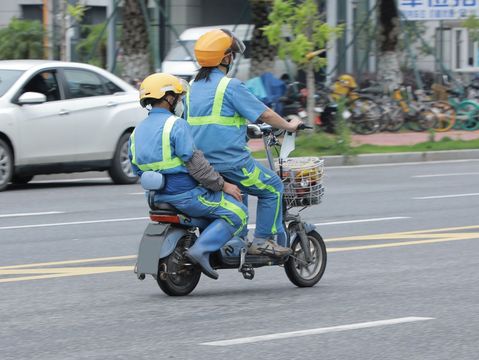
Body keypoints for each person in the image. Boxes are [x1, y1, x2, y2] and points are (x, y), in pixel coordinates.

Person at [185, 29, 303, 257]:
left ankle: (236, 240)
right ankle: (263, 240)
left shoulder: (191, 88)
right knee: (273, 187)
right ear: (226, 57)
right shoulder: (230, 86)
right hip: (230, 163)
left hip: (201, 166)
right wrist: (289, 126)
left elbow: (205, 123)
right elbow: (265, 115)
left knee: (239, 194)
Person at [129, 73, 247, 280]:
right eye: (178, 97)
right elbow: (196, 165)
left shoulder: (136, 132)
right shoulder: (176, 125)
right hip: (187, 195)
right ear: (168, 98)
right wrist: (223, 185)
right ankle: (200, 250)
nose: (179, 101)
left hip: (156, 197)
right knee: (238, 212)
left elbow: (136, 168)